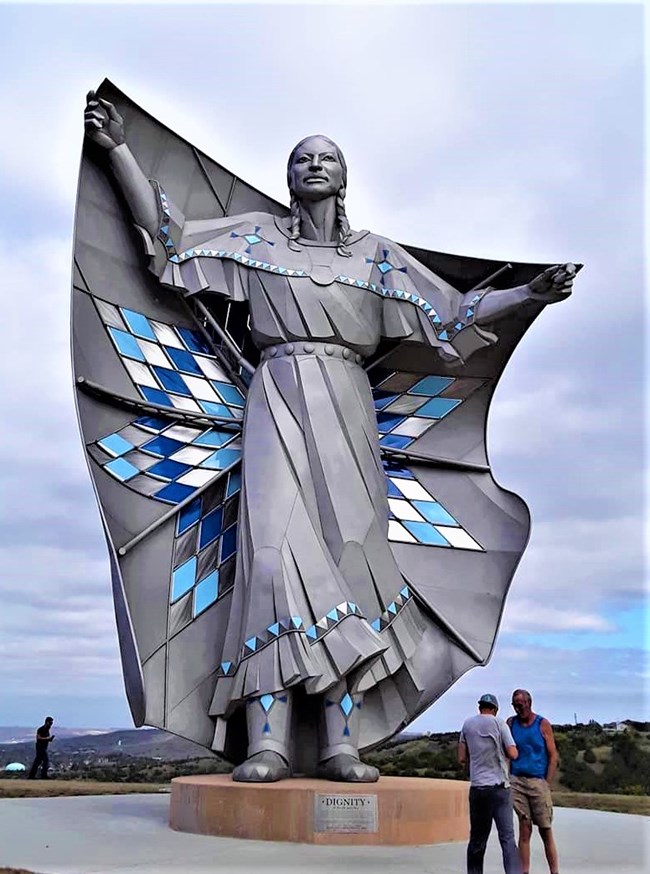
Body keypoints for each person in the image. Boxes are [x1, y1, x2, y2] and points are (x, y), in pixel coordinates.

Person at [83, 92, 575, 783]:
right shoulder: (256, 241)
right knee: (269, 563)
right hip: (277, 396)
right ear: (289, 179)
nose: (314, 165)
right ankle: (268, 743)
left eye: (327, 158)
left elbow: (455, 316)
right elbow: (170, 248)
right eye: (302, 159)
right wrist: (117, 152)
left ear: (343, 177)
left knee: (350, 560)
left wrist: (528, 294)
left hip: (349, 405)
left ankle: (340, 742)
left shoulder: (377, 259)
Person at [458, 694, 521, 874]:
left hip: (478, 789)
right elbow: (513, 753)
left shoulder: (467, 724)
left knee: (477, 840)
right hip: (500, 788)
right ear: (494, 708)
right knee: (507, 839)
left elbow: (461, 758)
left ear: (480, 707)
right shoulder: (500, 723)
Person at [508, 689, 560, 874]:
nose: (518, 708)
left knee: (545, 829)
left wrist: (547, 782)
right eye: (515, 705)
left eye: (521, 705)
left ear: (529, 703)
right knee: (524, 827)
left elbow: (553, 755)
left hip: (538, 780)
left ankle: (554, 871)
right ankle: (524, 871)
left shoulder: (542, 724)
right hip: (517, 780)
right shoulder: (511, 723)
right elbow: (506, 751)